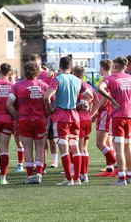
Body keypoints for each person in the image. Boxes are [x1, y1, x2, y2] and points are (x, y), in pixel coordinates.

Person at [98, 56, 131, 185]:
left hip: (118, 117)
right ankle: (130, 177)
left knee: (119, 148)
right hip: (130, 116)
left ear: (115, 66)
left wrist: (110, 99)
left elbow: (100, 88)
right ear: (126, 67)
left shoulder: (110, 78)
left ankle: (122, 178)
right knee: (128, 147)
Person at [44, 56, 93, 186]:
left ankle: (68, 179)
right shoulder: (78, 80)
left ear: (60, 67)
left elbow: (47, 96)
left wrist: (50, 110)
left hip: (61, 117)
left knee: (64, 150)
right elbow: (90, 96)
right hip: (75, 117)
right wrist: (81, 103)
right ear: (71, 68)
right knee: (75, 148)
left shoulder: (57, 79)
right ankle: (77, 179)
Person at [6, 62, 48, 184]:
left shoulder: (18, 86)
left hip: (24, 120)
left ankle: (30, 177)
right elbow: (51, 102)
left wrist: (17, 117)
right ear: (37, 72)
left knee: (28, 149)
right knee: (40, 148)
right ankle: (39, 175)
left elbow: (9, 104)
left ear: (25, 72)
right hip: (40, 120)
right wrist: (46, 114)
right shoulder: (44, 85)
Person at [72, 65, 100, 182]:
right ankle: (84, 175)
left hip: (77, 119)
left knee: (77, 148)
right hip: (87, 120)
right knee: (84, 148)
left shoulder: (74, 86)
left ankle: (79, 175)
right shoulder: (88, 87)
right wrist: (90, 115)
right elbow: (97, 102)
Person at [95, 59, 117, 177]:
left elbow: (103, 101)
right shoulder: (113, 78)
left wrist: (94, 113)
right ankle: (110, 168)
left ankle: (118, 165)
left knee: (100, 143)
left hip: (105, 113)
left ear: (102, 68)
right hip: (109, 113)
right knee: (108, 143)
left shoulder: (107, 80)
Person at [8, 68, 25, 172]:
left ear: (15, 77)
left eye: (10, 77)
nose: (9, 79)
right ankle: (3, 164)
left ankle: (20, 164)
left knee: (19, 141)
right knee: (3, 142)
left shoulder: (18, 87)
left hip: (16, 118)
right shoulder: (5, 86)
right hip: (5, 117)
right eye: (8, 77)